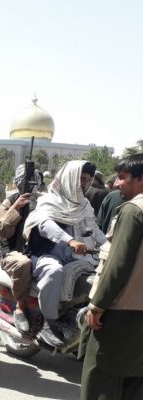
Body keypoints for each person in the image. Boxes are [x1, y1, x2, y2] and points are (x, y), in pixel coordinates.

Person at [23, 160, 106, 347]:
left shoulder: (84, 206)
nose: (85, 184)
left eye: (88, 180)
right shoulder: (49, 200)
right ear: (70, 178)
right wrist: (70, 240)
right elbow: (45, 225)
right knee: (54, 272)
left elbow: (94, 230)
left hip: (75, 257)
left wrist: (111, 245)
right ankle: (48, 322)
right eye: (82, 179)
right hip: (45, 256)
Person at [82, 153, 143, 400]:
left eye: (122, 178)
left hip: (120, 313)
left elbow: (119, 264)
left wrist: (97, 305)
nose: (116, 184)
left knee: (101, 379)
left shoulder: (133, 211)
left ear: (140, 180)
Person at [0, 165, 35, 333]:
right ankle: (20, 306)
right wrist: (16, 208)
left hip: (34, 249)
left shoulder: (40, 202)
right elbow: (2, 229)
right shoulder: (10, 201)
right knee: (23, 264)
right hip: (12, 252)